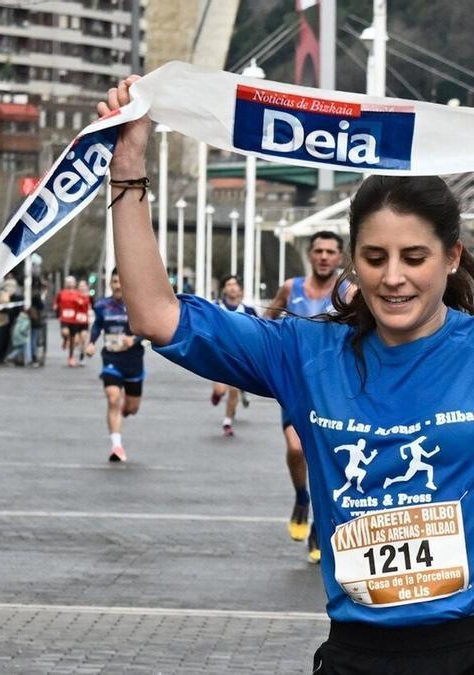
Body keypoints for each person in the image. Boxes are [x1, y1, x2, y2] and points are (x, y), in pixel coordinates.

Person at [102, 74, 474, 671]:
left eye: (415, 257)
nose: (394, 277)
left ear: (451, 257)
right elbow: (154, 313)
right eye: (375, 258)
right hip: (357, 652)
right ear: (352, 258)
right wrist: (127, 166)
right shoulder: (305, 353)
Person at [266, 230, 347, 563]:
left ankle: (318, 525)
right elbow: (265, 323)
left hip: (335, 391)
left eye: (331, 251)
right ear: (310, 255)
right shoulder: (290, 288)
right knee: (297, 448)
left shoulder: (348, 292)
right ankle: (302, 496)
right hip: (297, 385)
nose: (324, 256)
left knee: (328, 462)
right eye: (319, 251)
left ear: (340, 258)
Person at [84, 269, 145, 462]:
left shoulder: (137, 306)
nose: (118, 286)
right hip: (111, 359)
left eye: (121, 282)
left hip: (133, 361)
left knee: (132, 409)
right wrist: (92, 342)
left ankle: (126, 407)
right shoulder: (102, 305)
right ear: (110, 284)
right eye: (114, 282)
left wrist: (134, 339)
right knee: (112, 398)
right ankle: (117, 446)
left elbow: (148, 329)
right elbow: (97, 325)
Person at [209, 275, 257, 437]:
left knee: (234, 390)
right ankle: (217, 394)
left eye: (235, 284)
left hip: (239, 356)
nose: (232, 287)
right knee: (221, 390)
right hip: (219, 355)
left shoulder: (248, 311)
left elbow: (257, 333)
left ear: (241, 289)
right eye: (228, 284)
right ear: (224, 289)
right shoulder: (216, 307)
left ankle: (227, 422)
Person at [55, 276, 92, 367]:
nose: (70, 284)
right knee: (66, 333)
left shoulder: (79, 294)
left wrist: (84, 302)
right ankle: (65, 339)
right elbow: (56, 303)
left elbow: (87, 304)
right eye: (68, 282)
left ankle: (77, 357)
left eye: (71, 282)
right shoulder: (61, 293)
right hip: (65, 318)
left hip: (78, 320)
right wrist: (57, 309)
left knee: (80, 339)